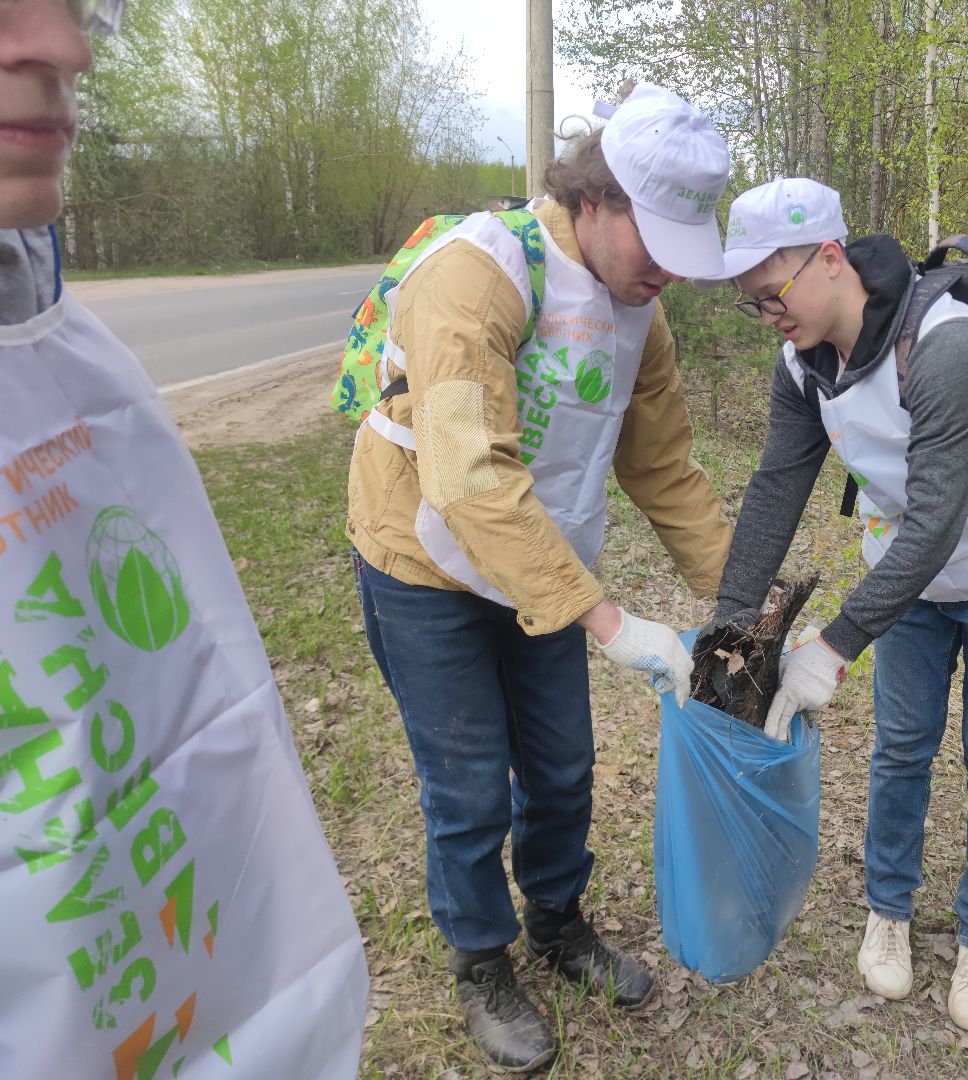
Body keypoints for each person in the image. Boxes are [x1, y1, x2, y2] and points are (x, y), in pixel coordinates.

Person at [0, 2, 367, 1077]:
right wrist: (598, 610)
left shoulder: (63, 340)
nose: (66, 50)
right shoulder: (487, 279)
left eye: (80, 6)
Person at [347, 84, 734, 1072]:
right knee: (470, 784)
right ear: (598, 199)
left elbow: (663, 469)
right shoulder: (478, 275)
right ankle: (482, 959)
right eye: (659, 247)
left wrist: (748, 602)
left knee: (561, 768)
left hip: (544, 565)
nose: (668, 278)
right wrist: (614, 625)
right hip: (424, 560)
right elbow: (469, 475)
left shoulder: (644, 313)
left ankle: (557, 924)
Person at [709, 178, 968, 1033]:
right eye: (752, 304)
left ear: (829, 259)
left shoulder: (949, 343)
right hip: (908, 584)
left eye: (773, 295)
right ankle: (890, 911)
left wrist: (832, 646)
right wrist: (729, 624)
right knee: (903, 747)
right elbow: (775, 487)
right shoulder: (801, 361)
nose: (768, 316)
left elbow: (939, 519)